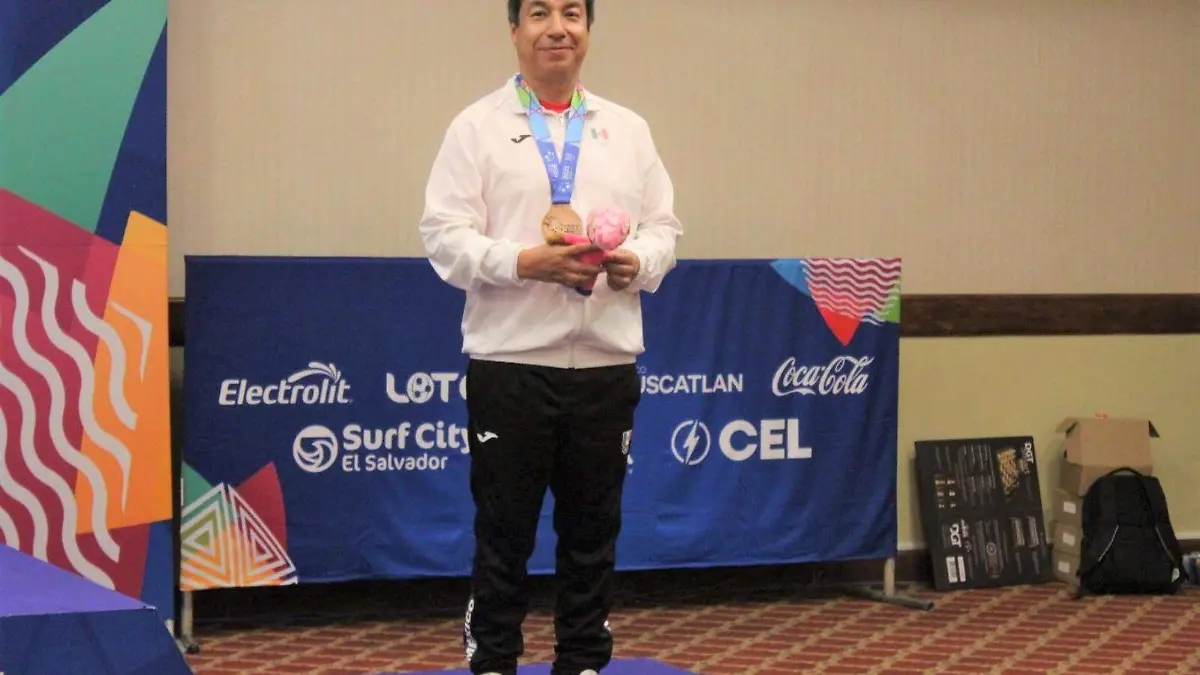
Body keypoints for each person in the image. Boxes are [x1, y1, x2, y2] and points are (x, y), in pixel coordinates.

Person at [417, 1, 682, 673]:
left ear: (589, 30)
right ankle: (494, 660)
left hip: (604, 365)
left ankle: (584, 660)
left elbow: (664, 228)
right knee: (503, 531)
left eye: (572, 13)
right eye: (539, 13)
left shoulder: (627, 130)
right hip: (510, 363)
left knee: (593, 532)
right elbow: (443, 237)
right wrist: (522, 261)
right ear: (515, 30)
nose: (557, 27)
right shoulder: (475, 128)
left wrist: (638, 260)